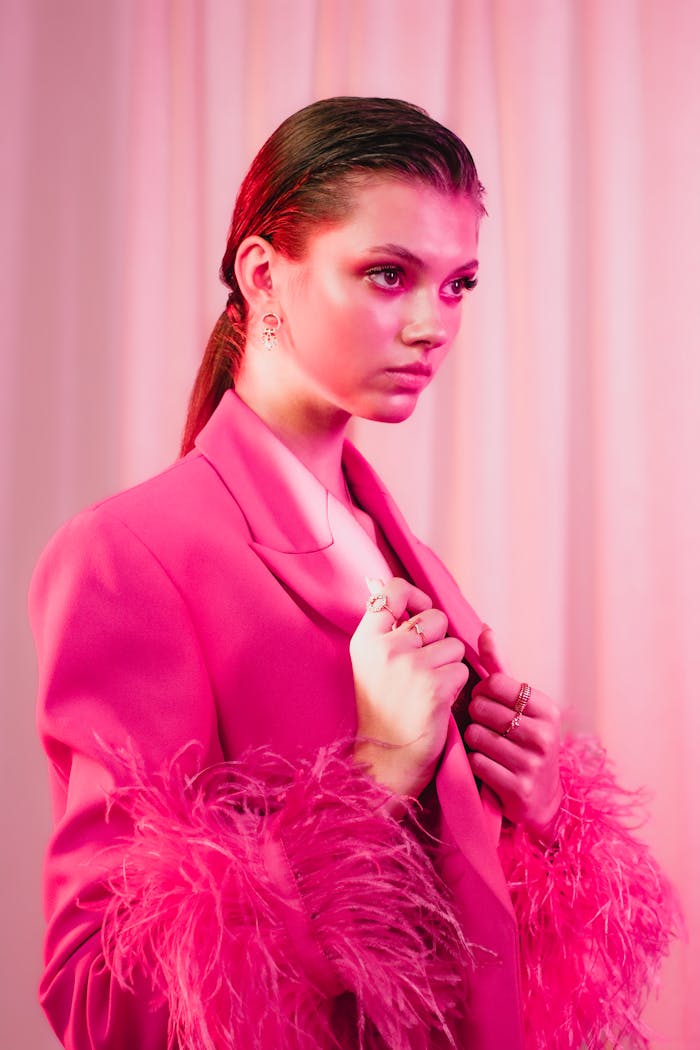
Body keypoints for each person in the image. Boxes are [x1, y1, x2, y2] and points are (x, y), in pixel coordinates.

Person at [30, 97, 679, 1050]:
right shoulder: (130, 557)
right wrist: (372, 776)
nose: (432, 325)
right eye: (388, 274)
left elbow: (472, 953)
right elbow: (102, 997)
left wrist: (539, 813)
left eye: (457, 286)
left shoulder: (408, 558)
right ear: (263, 274)